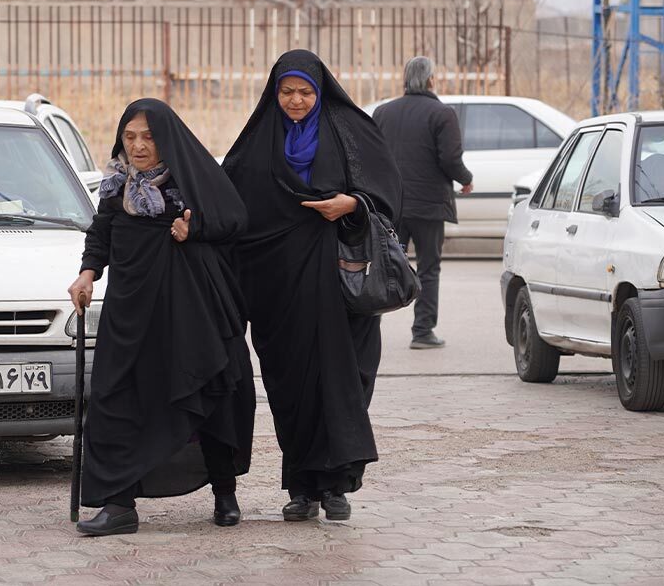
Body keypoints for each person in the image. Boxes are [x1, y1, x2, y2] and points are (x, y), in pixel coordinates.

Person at [222, 50, 402, 522]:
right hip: (280, 290)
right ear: (274, 93)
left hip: (342, 286)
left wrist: (352, 205)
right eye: (287, 92)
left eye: (305, 92)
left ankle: (336, 486)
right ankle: (302, 488)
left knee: (344, 382)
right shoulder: (259, 141)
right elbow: (229, 203)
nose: (296, 101)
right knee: (292, 389)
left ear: (321, 92)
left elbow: (387, 196)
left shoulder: (350, 131)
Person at [67, 98, 256, 536]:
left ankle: (224, 491)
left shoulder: (192, 178)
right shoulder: (116, 184)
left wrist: (195, 229)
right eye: (130, 137)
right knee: (116, 397)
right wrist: (87, 273)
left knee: (206, 390)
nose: (138, 146)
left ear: (166, 139)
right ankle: (118, 504)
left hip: (189, 309)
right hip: (131, 310)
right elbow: (101, 232)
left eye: (148, 137)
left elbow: (234, 220)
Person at [372, 56, 473, 350]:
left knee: (385, 266)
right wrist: (465, 179)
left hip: (391, 205)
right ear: (430, 80)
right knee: (428, 269)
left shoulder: (383, 112)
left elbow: (373, 155)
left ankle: (369, 328)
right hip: (428, 207)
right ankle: (422, 331)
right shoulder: (442, 114)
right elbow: (450, 159)